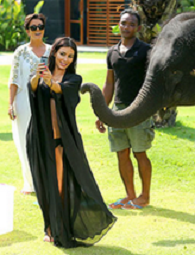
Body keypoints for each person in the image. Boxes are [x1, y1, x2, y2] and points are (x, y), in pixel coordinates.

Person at [27, 37, 116, 247]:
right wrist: (36, 79)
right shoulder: (40, 74)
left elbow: (63, 92)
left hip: (61, 141)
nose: (65, 59)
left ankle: (61, 228)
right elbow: (32, 91)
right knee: (43, 185)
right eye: (62, 54)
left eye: (70, 56)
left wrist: (50, 82)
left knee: (59, 185)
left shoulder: (73, 78)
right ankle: (49, 228)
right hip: (39, 140)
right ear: (54, 53)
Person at [95, 8, 154, 210]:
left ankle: (144, 196)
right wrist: (102, 111)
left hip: (139, 109)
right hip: (117, 109)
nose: (126, 27)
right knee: (122, 153)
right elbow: (109, 83)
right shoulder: (112, 52)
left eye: (131, 24)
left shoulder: (146, 51)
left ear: (137, 28)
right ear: (118, 25)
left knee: (140, 153)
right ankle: (130, 195)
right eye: (123, 23)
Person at [7, 13, 51, 195]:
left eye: (40, 26)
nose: (37, 30)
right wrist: (11, 104)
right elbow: (14, 79)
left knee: (46, 140)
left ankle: (47, 181)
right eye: (33, 27)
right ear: (27, 31)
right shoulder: (20, 52)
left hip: (46, 102)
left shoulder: (52, 51)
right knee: (25, 141)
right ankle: (30, 184)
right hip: (23, 103)